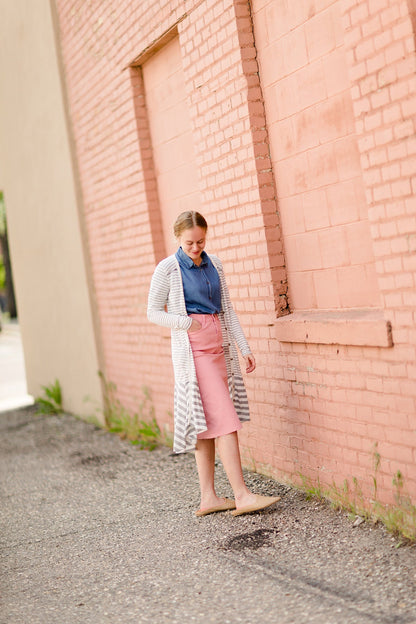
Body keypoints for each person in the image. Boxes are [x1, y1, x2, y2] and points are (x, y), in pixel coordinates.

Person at [147, 211, 280, 517]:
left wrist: (243, 347)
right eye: (189, 242)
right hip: (194, 355)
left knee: (206, 425)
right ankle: (242, 495)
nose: (196, 247)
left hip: (219, 351)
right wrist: (185, 323)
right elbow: (152, 311)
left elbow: (227, 310)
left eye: (201, 241)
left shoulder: (214, 263)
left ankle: (209, 498)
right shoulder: (167, 269)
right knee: (226, 420)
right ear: (178, 239)